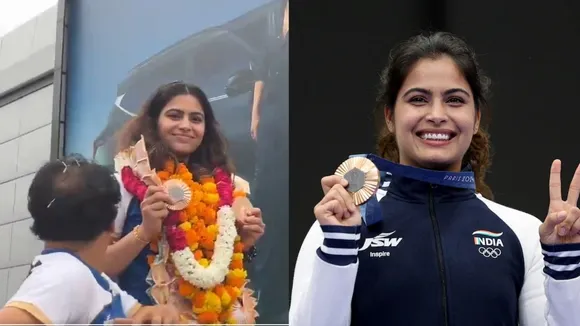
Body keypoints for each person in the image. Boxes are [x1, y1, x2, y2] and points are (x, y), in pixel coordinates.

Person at [289, 32, 580, 326]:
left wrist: (565, 266)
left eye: (454, 100)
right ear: (390, 117)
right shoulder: (342, 226)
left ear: (476, 118)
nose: (437, 114)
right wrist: (338, 246)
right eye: (418, 99)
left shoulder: (524, 232)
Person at [103, 81, 265, 324]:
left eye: (196, 119)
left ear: (205, 129)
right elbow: (99, 268)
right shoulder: (123, 186)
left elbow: (227, 273)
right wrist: (145, 232)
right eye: (174, 116)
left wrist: (247, 244)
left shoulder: (225, 189)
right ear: (154, 122)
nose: (186, 126)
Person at [0, 156, 180, 325]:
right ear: (111, 224)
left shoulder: (90, 275)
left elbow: (140, 314)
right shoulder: (63, 275)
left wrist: (160, 313)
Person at [248, 0, 289, 322]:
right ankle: (267, 299)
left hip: (292, 123)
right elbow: (260, 78)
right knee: (270, 206)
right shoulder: (273, 42)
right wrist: (256, 115)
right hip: (273, 127)